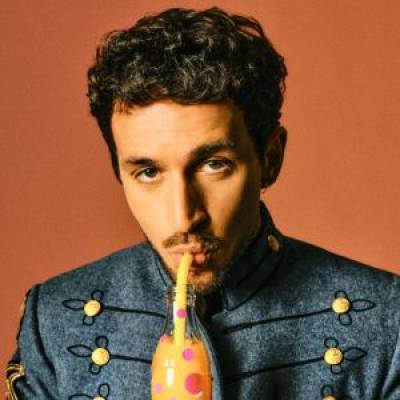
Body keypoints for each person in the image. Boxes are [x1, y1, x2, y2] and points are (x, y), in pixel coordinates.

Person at [6, 7, 400, 400]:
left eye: (214, 165)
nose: (183, 217)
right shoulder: (56, 320)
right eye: (148, 172)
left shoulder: (386, 320)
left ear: (270, 159)